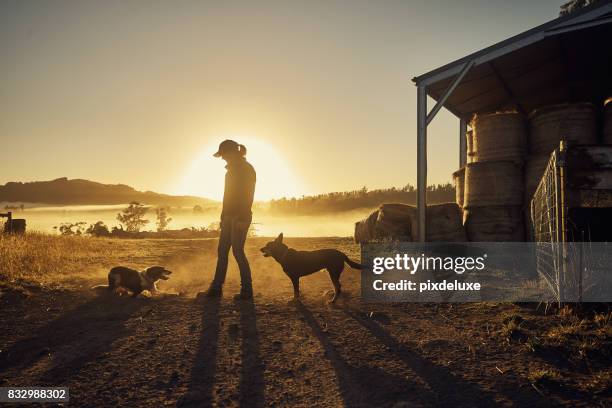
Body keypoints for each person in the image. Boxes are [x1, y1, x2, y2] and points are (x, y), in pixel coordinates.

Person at [206, 139, 256, 300]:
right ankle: (216, 289)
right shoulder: (230, 172)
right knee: (222, 251)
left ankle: (247, 291)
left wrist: (242, 217)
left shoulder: (246, 170)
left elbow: (248, 195)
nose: (222, 158)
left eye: (224, 155)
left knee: (238, 252)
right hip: (229, 217)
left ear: (232, 153)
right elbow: (226, 196)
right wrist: (223, 216)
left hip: (240, 216)